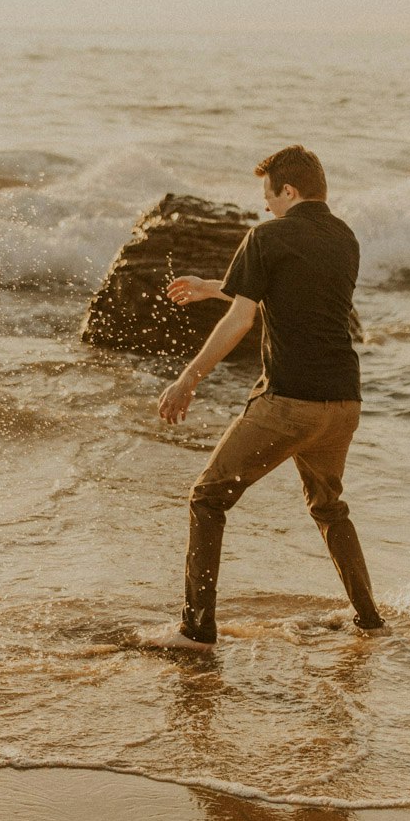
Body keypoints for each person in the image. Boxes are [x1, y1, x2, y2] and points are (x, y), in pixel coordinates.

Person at [149, 146, 386, 650]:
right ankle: (370, 620)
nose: (265, 208)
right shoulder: (344, 237)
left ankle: (196, 630)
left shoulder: (268, 236)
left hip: (289, 401)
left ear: (289, 191)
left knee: (207, 498)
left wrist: (188, 378)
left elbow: (243, 317)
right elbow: (287, 286)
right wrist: (211, 285)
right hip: (344, 402)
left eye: (269, 197)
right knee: (329, 507)